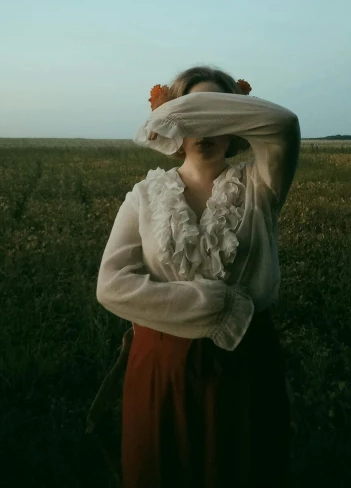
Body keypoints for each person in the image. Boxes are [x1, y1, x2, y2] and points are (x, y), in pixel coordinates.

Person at [95, 65, 301, 488]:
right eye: (191, 118)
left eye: (218, 116)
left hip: (246, 360)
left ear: (236, 121)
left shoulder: (261, 186)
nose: (204, 129)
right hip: (160, 365)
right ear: (175, 123)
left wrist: (200, 107)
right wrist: (215, 306)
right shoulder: (145, 196)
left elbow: (284, 124)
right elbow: (112, 286)